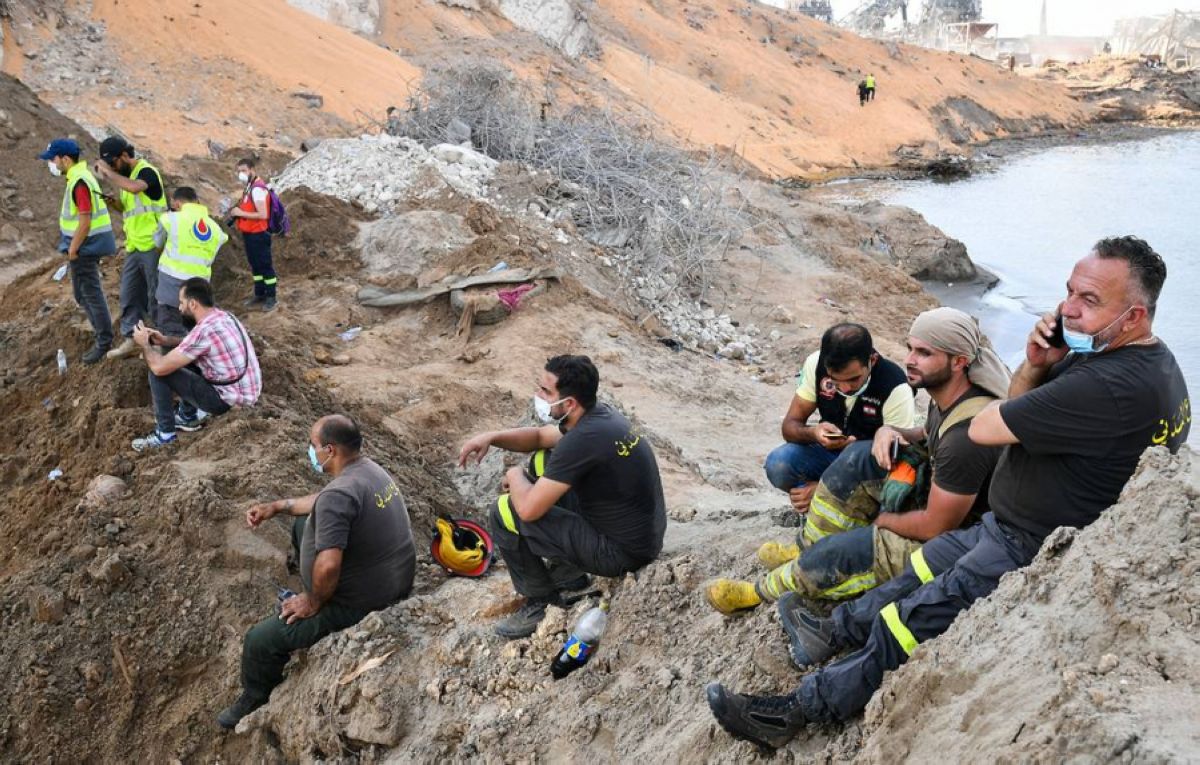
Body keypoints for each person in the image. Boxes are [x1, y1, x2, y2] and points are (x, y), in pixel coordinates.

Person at [705, 236, 1190, 749]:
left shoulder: (1106, 384)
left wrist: (1031, 382)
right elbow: (1021, 410)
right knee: (917, 570)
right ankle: (833, 631)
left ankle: (801, 710)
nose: (1067, 309)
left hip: (1031, 543)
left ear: (1134, 316)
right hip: (1002, 524)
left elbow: (985, 429)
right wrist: (1033, 362)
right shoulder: (1141, 362)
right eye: (1069, 292)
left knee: (907, 622)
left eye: (1089, 301)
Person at [704, 307, 1008, 619]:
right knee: (859, 458)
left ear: (959, 361)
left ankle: (759, 592)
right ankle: (807, 545)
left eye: (924, 353)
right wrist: (889, 431)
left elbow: (936, 526)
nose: (910, 360)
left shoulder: (965, 437)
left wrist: (883, 522)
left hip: (960, 541)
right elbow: (926, 434)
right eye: (910, 349)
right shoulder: (950, 396)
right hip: (940, 497)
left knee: (847, 552)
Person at [217, 415, 416, 729]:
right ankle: (312, 585)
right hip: (394, 576)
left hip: (361, 603)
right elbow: (325, 501)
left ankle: (255, 697)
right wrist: (279, 506)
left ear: (331, 450)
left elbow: (329, 564)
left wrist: (312, 600)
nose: (310, 451)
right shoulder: (368, 471)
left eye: (313, 446)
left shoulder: (339, 495)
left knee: (258, 640)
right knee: (302, 523)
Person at [458, 355, 668, 639]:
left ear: (569, 403)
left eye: (546, 392)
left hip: (620, 553)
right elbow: (539, 438)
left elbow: (529, 510)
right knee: (543, 461)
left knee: (505, 511)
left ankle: (539, 601)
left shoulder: (581, 441)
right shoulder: (599, 418)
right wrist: (492, 437)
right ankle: (569, 574)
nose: (538, 395)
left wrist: (513, 475)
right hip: (639, 534)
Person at [763, 323, 914, 518]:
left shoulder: (895, 387)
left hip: (872, 470)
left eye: (854, 379)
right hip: (830, 456)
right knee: (779, 463)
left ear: (872, 360)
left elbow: (899, 463)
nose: (845, 388)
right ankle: (819, 512)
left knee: (894, 500)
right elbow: (790, 426)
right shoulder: (815, 364)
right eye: (835, 381)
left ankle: (836, 506)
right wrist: (814, 433)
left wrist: (825, 488)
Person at [130, 277, 261, 451]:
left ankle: (165, 435)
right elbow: (195, 345)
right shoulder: (225, 317)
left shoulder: (203, 332)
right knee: (188, 360)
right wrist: (165, 340)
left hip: (228, 401)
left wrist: (145, 344)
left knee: (156, 373)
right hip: (246, 393)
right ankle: (187, 417)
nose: (179, 308)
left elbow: (159, 368)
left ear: (193, 304)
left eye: (181, 303)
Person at [40, 137, 117, 364]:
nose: (51, 165)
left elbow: (85, 219)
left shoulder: (80, 181)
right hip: (85, 245)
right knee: (81, 294)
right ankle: (102, 337)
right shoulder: (77, 178)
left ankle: (104, 342)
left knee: (90, 293)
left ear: (65, 159)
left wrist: (73, 249)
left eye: (53, 160)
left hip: (85, 246)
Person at [93, 136, 168, 360]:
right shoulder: (126, 178)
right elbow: (129, 208)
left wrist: (108, 173)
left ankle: (161, 341)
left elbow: (136, 189)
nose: (113, 168)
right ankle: (132, 338)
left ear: (124, 156)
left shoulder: (146, 172)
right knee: (129, 294)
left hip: (154, 245)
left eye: (113, 163)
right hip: (135, 245)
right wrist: (113, 203)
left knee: (156, 295)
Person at [151, 187, 230, 341]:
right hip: (199, 287)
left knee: (170, 328)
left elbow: (157, 243)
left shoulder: (170, 219)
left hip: (170, 283)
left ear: (177, 203)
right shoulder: (215, 229)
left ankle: (173, 360)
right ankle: (194, 358)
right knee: (196, 331)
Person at [230, 157, 276, 312]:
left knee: (265, 265)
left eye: (243, 171)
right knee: (255, 266)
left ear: (252, 170)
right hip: (249, 233)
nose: (241, 174)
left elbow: (263, 214)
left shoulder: (257, 189)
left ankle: (271, 297)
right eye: (239, 171)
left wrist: (240, 212)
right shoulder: (250, 187)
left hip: (259, 233)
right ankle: (259, 293)